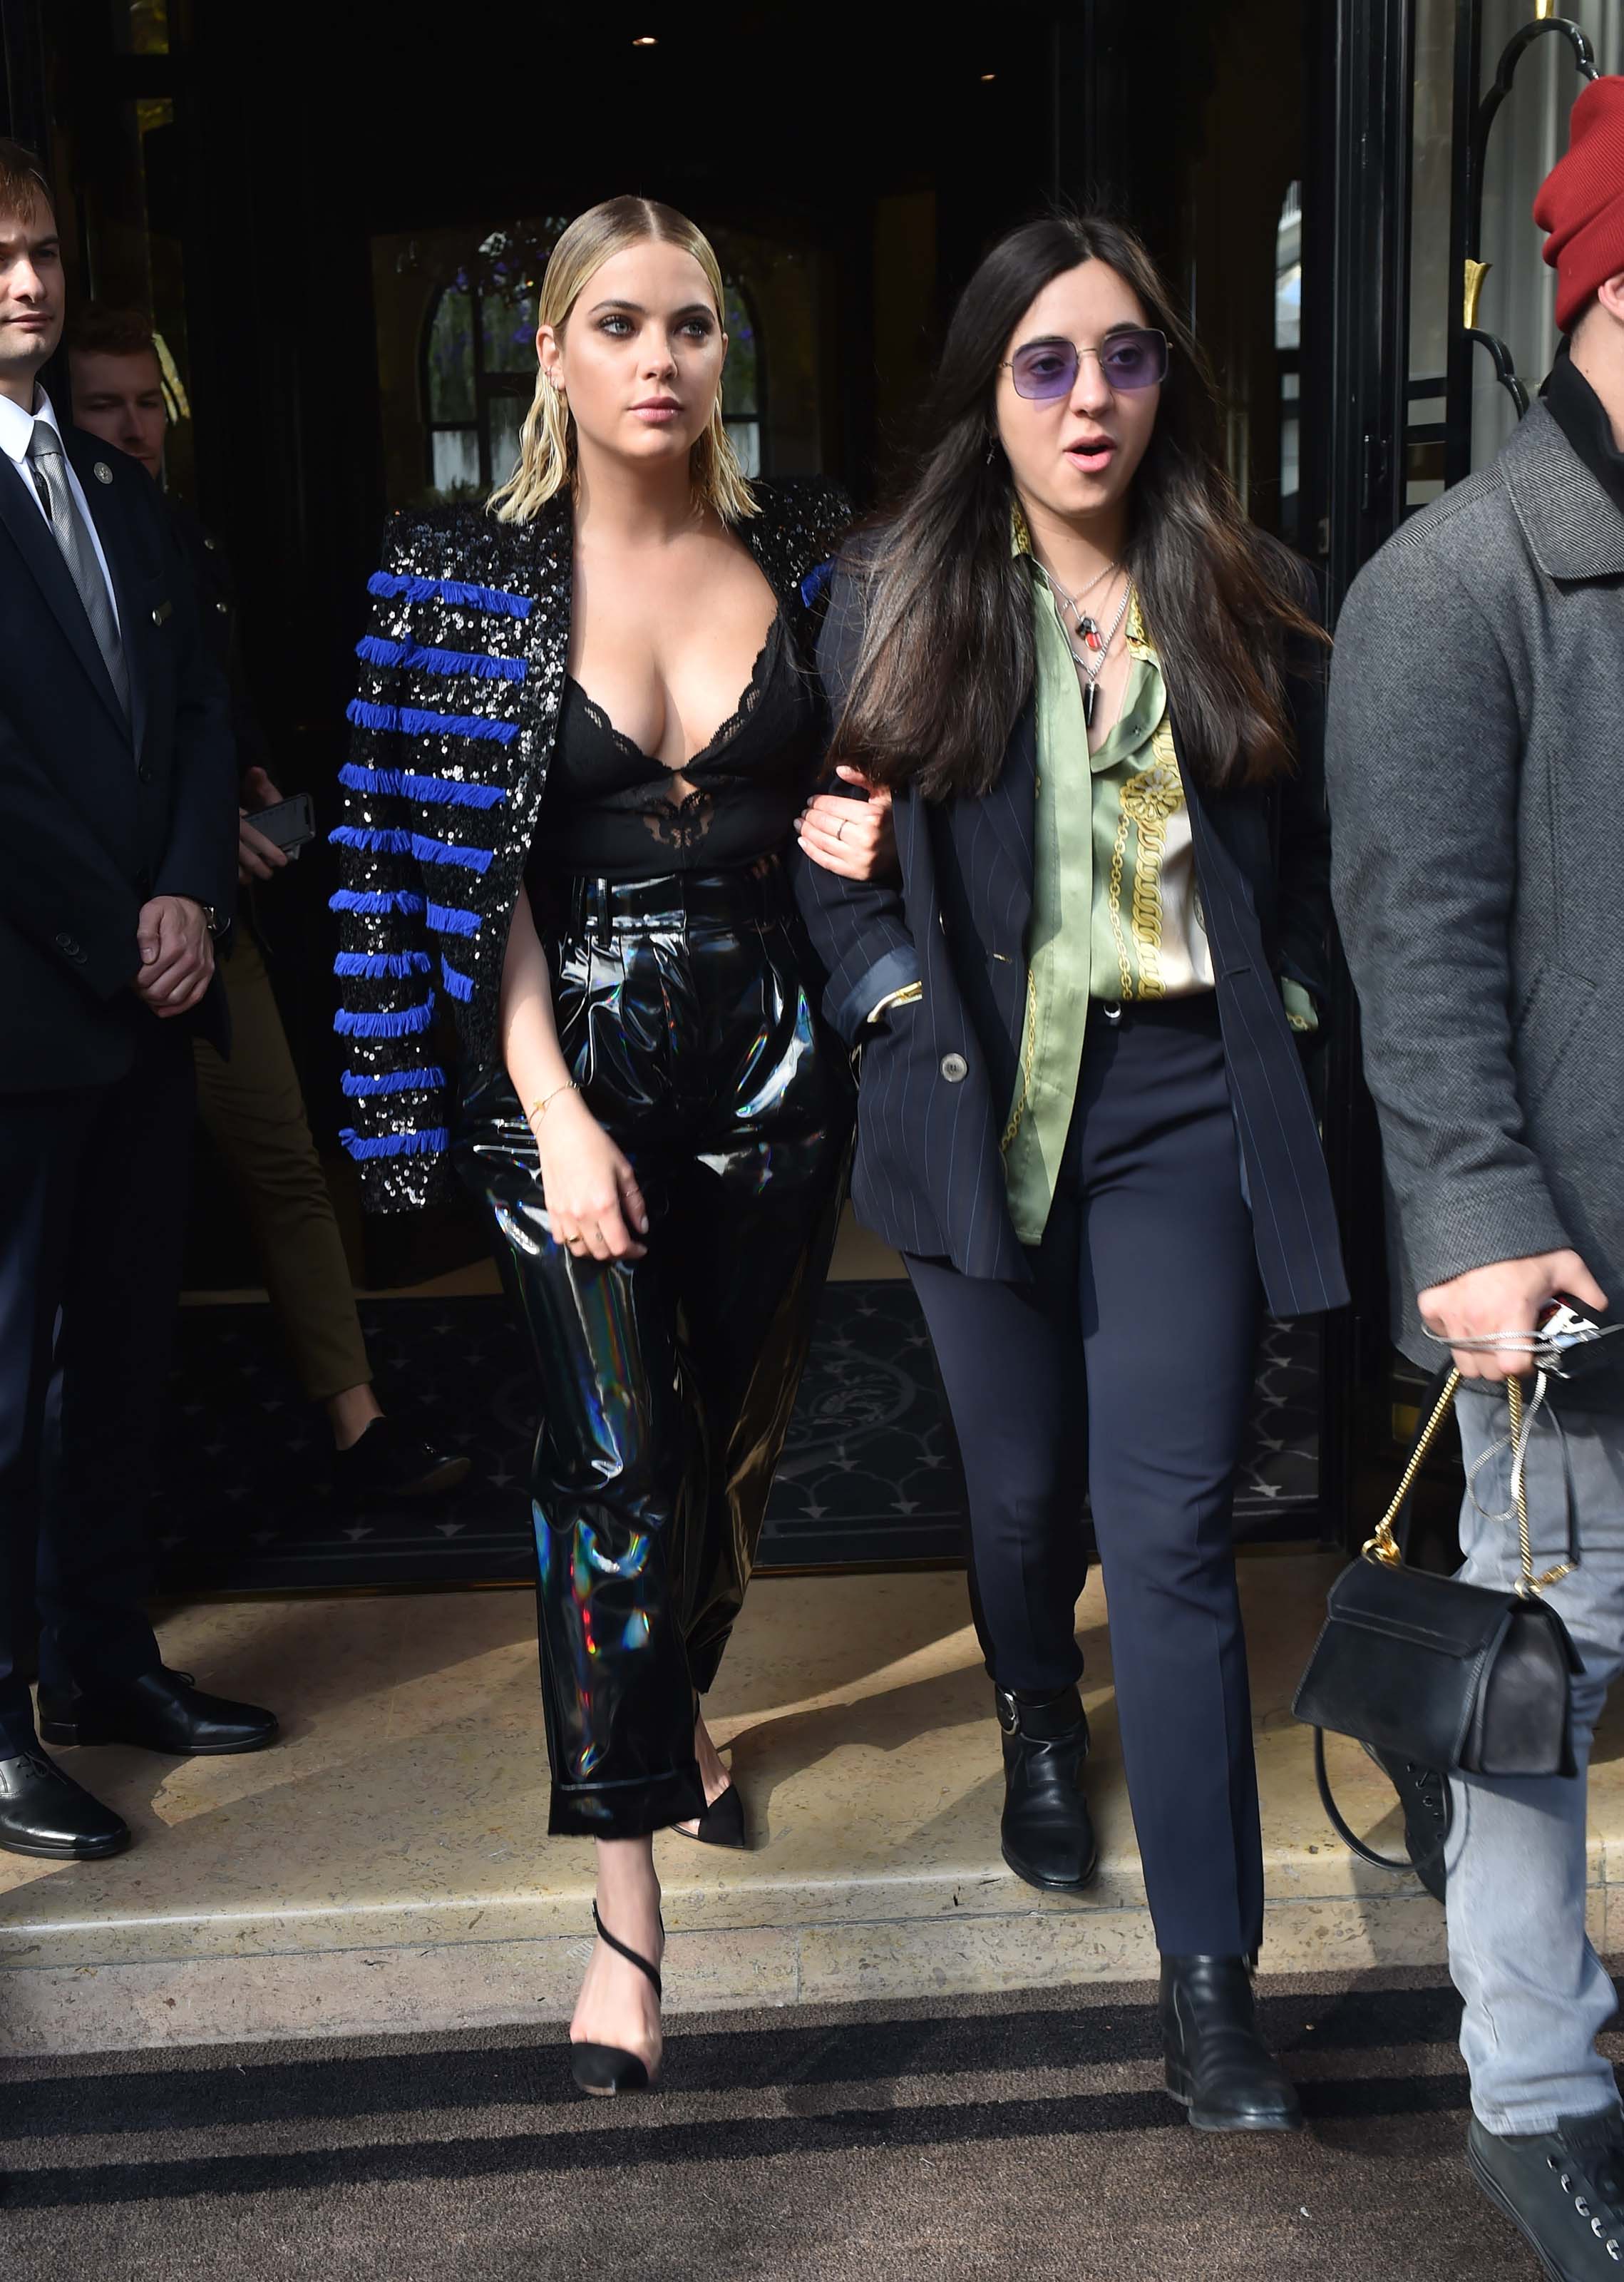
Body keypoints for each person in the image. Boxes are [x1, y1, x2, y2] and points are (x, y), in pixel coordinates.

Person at [795, 211, 1347, 2131]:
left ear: (1162, 380)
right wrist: (872, 993)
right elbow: (820, 850)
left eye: (1120, 357)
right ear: (988, 391)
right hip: (972, 1106)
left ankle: (1210, 1991)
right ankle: (1033, 1702)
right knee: (1023, 1498)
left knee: (1173, 1542)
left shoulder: (1248, 587)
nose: (1088, 397)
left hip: (1185, 1102)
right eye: (1043, 362)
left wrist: (1284, 1017)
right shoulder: (889, 597)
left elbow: (1311, 866)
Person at [333, 195, 890, 2095]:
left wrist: (872, 825)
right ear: (552, 357)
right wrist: (553, 1117)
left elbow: (903, 743)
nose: (663, 361)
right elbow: (431, 871)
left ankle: (677, 1704)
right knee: (614, 1460)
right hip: (553, 1054)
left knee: (729, 1445)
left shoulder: (809, 550)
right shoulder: (458, 570)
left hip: (772, 1051)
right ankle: (625, 1926)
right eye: (622, 326)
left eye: (696, 328)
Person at [1327, 76, 1624, 2280]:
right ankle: (1539, 2102)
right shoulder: (1455, 578)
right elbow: (1410, 951)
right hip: (1564, 1267)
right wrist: (1466, 1225)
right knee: (1536, 1697)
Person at [65, 305, 468, 1505]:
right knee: (99, 1218)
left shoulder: (179, 541)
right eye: (104, 405)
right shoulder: (48, 541)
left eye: (148, 404)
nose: (134, 429)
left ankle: (356, 1425)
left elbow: (198, 718)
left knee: (288, 1163)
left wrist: (235, 801)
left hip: (210, 913)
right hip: (78, 939)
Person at [0, 140, 277, 1864]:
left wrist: (185, 893)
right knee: (2, 1385)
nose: (22, 279)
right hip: (24, 1008)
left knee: (119, 1360)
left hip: (144, 1000)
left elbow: (191, 709)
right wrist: (124, 924)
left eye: (34, 246)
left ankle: (104, 1665)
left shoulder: (114, 493)